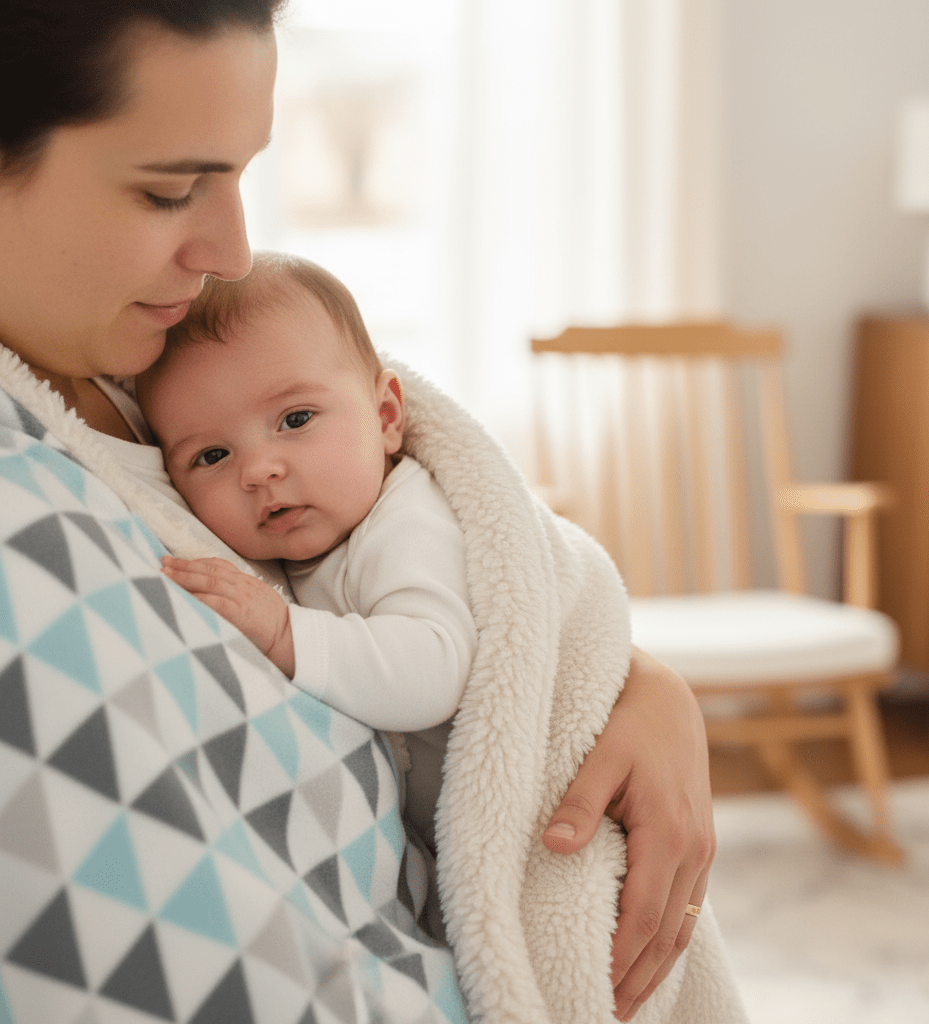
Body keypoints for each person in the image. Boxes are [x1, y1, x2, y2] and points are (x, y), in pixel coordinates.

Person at [0, 3, 734, 1022]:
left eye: (240, 175)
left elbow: (491, 564)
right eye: (169, 190)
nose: (231, 250)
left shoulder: (138, 359)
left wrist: (627, 680)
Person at [137, 252, 477, 848]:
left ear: (386, 417)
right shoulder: (296, 545)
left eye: (295, 419)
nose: (258, 471)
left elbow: (435, 668)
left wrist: (284, 633)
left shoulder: (407, 521)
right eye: (212, 456)